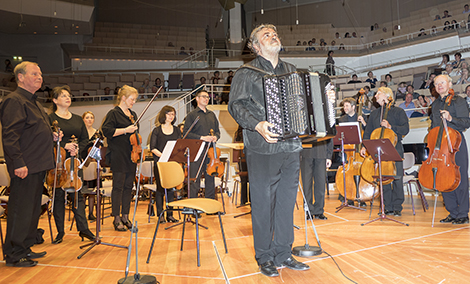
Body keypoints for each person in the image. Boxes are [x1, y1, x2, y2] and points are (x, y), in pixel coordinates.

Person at [228, 23, 310, 278]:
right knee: (263, 204)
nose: (273, 36)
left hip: (291, 145)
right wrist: (257, 124)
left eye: (274, 33)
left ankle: (283, 253)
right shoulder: (246, 72)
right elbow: (236, 106)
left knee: (286, 203)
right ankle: (264, 256)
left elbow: (301, 103)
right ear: (255, 46)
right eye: (266, 35)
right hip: (262, 146)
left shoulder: (292, 71)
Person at [0, 61, 57, 267]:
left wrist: (52, 136)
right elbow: (10, 136)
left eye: (40, 74)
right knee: (21, 210)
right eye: (35, 74)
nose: (40, 77)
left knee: (32, 210)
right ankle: (15, 253)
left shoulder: (34, 102)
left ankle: (25, 247)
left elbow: (33, 132)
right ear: (21, 77)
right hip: (25, 166)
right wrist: (18, 163)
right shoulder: (15, 101)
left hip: (37, 165)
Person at [49, 86, 95, 244]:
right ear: (55, 100)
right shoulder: (50, 119)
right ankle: (60, 232)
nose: (67, 98)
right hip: (58, 163)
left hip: (74, 163)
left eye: (69, 95)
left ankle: (84, 230)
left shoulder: (77, 119)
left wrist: (77, 149)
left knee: (77, 196)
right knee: (59, 197)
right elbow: (46, 141)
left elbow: (84, 139)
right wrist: (63, 147)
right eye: (63, 96)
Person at [360, 87, 409, 216]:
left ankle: (397, 206)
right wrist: (364, 146)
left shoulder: (398, 111)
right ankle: (387, 206)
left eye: (378, 94)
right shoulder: (375, 114)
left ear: (387, 96)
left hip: (395, 150)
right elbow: (368, 132)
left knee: (397, 179)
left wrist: (390, 127)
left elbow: (405, 129)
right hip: (379, 152)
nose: (375, 96)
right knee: (383, 180)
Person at [432, 75, 470, 224]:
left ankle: (463, 213)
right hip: (441, 147)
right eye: (436, 84)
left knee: (459, 179)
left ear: (449, 84)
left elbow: (466, 123)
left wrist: (451, 119)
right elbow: (434, 126)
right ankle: (452, 212)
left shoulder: (458, 101)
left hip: (456, 145)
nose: (439, 85)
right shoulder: (435, 105)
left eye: (442, 82)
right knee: (443, 179)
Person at [101, 85, 139, 231]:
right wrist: (125, 130)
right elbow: (107, 131)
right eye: (132, 99)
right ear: (123, 98)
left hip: (131, 155)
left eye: (135, 100)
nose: (133, 102)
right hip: (118, 154)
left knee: (129, 187)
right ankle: (116, 218)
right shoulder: (113, 113)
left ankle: (125, 216)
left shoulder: (133, 114)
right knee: (118, 187)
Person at [183, 90, 220, 200]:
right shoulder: (192, 115)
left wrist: (215, 137)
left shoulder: (211, 115)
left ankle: (210, 205)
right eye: (203, 97)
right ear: (197, 99)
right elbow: (186, 133)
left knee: (210, 178)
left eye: (208, 97)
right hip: (197, 150)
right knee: (195, 178)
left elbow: (217, 131)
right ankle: (194, 206)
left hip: (210, 151)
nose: (206, 99)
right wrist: (202, 138)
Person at [149, 105, 181, 223]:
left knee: (171, 189)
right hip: (160, 163)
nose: (171, 116)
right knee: (160, 189)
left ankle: (170, 214)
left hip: (172, 163)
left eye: (173, 114)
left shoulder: (177, 130)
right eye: (169, 114)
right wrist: (164, 155)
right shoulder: (157, 130)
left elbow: (179, 146)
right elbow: (153, 148)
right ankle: (160, 215)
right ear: (164, 115)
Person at [337, 97, 367, 206]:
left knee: (361, 171)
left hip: (360, 151)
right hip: (348, 151)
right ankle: (348, 195)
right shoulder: (341, 119)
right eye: (344, 106)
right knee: (347, 173)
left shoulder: (362, 117)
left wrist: (363, 122)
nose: (344, 108)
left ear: (353, 107)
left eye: (347, 106)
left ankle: (361, 197)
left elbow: (369, 131)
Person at [82, 111, 102, 221]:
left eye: (91, 117)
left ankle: (90, 213)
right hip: (82, 163)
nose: (89, 119)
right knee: (83, 189)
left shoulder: (97, 133)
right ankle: (82, 213)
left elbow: (101, 147)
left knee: (92, 190)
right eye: (87, 117)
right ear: (83, 119)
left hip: (93, 164)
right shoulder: (81, 132)